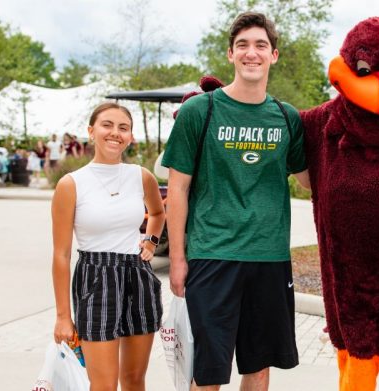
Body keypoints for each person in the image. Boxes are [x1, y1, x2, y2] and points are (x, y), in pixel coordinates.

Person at [161, 12, 309, 391]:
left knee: (258, 367)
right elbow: (176, 191)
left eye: (260, 45)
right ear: (230, 54)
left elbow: (311, 182)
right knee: (208, 372)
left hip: (269, 257)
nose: (251, 53)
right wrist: (177, 259)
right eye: (242, 45)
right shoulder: (200, 111)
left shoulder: (286, 117)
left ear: (274, 55)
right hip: (213, 255)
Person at [51, 102, 165, 391]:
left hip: (138, 275)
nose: (115, 133)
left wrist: (151, 241)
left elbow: (158, 212)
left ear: (130, 137)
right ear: (91, 132)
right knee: (103, 384)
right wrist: (63, 317)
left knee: (134, 379)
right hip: (95, 278)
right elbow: (61, 255)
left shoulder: (141, 176)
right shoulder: (71, 184)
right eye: (107, 125)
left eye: (123, 128)